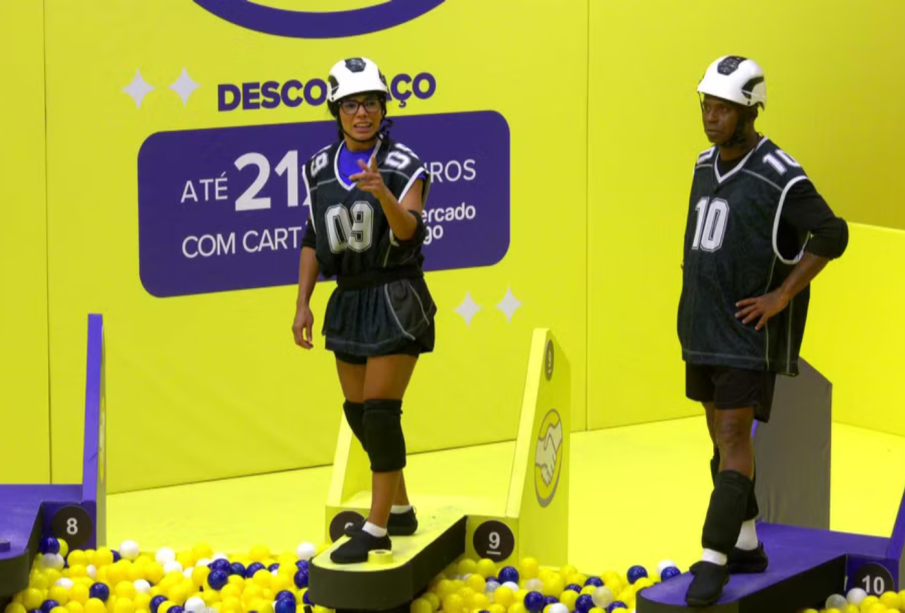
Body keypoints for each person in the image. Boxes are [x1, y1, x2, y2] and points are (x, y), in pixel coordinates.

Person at [677, 55, 848, 606]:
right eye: (706, 105)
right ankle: (747, 542)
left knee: (733, 438)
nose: (711, 116)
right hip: (700, 326)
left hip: (746, 335)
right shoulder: (703, 163)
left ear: (751, 111)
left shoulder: (780, 172)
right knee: (718, 439)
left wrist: (781, 296)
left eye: (723, 108)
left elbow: (832, 233)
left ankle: (714, 557)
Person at [291, 57, 436, 564]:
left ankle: (377, 529)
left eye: (371, 103)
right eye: (351, 104)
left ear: (383, 108)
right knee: (359, 413)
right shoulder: (317, 168)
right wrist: (303, 303)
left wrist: (383, 194)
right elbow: (314, 237)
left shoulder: (403, 164)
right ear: (336, 109)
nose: (362, 113)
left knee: (380, 410)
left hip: (396, 295)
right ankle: (399, 508)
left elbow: (410, 232)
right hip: (348, 298)